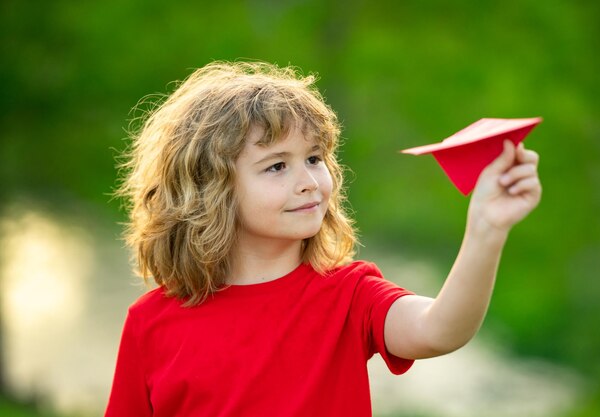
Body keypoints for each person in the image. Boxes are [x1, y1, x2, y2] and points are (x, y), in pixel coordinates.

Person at [104, 61, 541, 417]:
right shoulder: (151, 323)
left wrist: (486, 228)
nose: (310, 181)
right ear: (210, 189)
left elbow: (439, 330)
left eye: (314, 158)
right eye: (277, 166)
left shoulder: (350, 294)